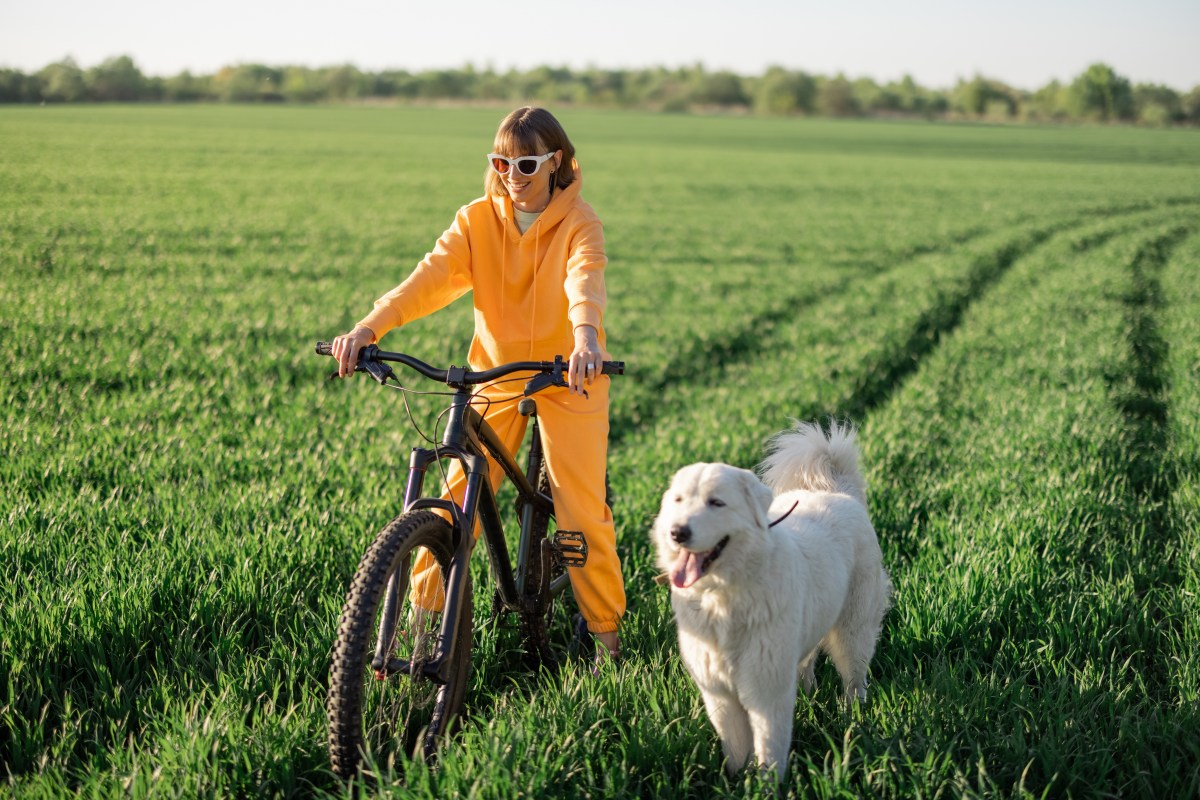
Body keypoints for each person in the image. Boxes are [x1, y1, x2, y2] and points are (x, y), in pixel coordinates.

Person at [330, 107, 623, 664]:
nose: (514, 175)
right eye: (501, 162)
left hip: (569, 374)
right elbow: (430, 278)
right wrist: (369, 328)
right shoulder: (475, 221)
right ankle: (419, 634)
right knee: (452, 497)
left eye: (528, 163)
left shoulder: (580, 223)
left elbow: (584, 278)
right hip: (497, 373)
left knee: (580, 511)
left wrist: (586, 339)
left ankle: (607, 642)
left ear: (556, 161)